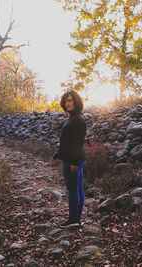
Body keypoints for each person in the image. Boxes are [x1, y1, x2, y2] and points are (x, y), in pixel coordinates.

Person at [52, 90, 86, 228]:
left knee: (74, 190)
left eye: (70, 100)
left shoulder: (77, 120)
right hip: (74, 158)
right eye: (66, 100)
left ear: (76, 102)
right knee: (77, 189)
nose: (68, 103)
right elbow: (67, 141)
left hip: (74, 160)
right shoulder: (74, 117)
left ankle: (73, 220)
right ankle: (76, 218)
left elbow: (77, 142)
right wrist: (59, 153)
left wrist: (73, 161)